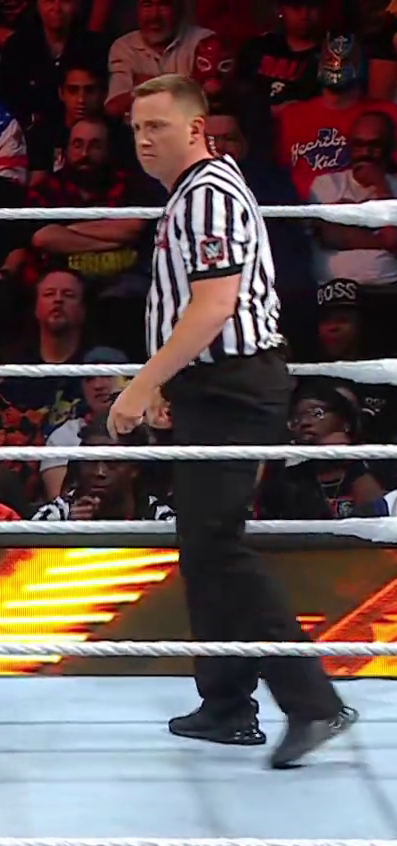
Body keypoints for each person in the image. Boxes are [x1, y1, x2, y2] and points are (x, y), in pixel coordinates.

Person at [109, 73, 354, 767]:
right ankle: (225, 702)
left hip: (236, 387)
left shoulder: (208, 194)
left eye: (156, 126)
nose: (143, 140)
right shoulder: (190, 194)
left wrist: (142, 384)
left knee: (218, 543)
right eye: (136, 129)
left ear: (196, 128)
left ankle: (314, 702)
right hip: (209, 385)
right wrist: (170, 381)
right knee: (201, 542)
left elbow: (215, 305)